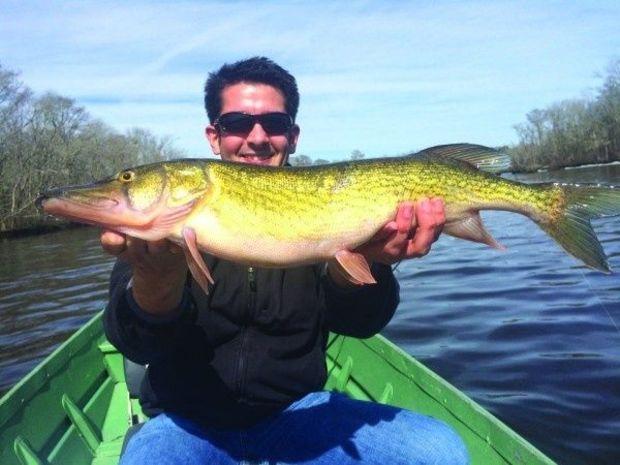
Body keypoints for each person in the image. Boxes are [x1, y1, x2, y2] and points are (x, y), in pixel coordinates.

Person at [102, 57, 469, 465]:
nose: (256, 138)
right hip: (186, 422)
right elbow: (133, 342)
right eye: (237, 123)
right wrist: (157, 282)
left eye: (274, 125)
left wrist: (371, 264)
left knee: (440, 452)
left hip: (300, 415)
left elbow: (360, 324)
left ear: (292, 137)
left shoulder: (332, 209)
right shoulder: (157, 228)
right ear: (213, 136)